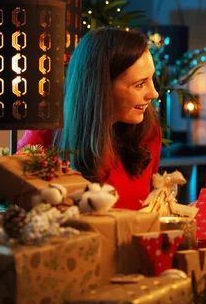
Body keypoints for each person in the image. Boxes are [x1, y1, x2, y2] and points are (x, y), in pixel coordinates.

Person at [17, 27, 161, 210]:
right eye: (140, 84)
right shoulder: (44, 137)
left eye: (151, 79)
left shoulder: (148, 133)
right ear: (101, 88)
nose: (154, 93)